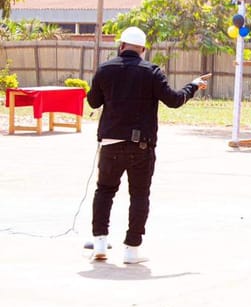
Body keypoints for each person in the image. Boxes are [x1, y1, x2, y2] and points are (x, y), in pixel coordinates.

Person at [87, 26, 209, 264]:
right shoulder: (151, 72)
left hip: (111, 143)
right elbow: (174, 100)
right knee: (139, 195)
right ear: (143, 49)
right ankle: (131, 250)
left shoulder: (105, 69)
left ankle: (100, 244)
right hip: (141, 146)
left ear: (121, 46)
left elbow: (93, 102)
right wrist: (193, 85)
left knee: (104, 191)